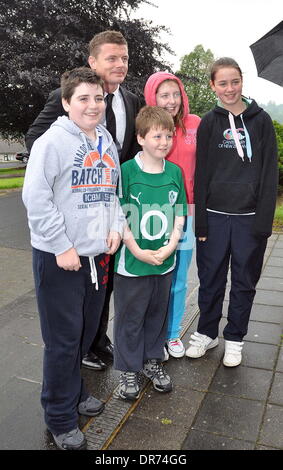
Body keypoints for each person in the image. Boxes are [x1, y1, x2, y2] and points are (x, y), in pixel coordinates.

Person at [25, 30, 142, 371]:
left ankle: (95, 339)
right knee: (66, 318)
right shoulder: (69, 100)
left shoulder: (131, 101)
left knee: (100, 291)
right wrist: (72, 180)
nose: (119, 64)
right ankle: (79, 354)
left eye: (124, 59)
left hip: (107, 212)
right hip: (73, 213)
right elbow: (38, 140)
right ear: (92, 61)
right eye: (111, 58)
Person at [22, 67, 125, 450]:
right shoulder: (53, 142)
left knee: (83, 336)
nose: (93, 105)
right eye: (83, 98)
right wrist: (62, 246)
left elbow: (112, 192)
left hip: (97, 257)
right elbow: (36, 197)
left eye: (98, 98)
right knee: (63, 341)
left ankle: (76, 391)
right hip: (61, 258)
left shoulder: (107, 140)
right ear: (66, 103)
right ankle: (60, 416)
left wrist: (115, 226)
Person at [185, 57, 278, 367]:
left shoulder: (261, 120)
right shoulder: (210, 122)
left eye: (234, 81)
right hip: (214, 215)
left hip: (249, 219)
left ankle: (235, 338)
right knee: (210, 279)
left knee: (243, 281)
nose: (229, 88)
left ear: (242, 82)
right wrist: (201, 222)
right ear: (213, 86)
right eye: (222, 83)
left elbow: (268, 175)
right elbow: (202, 173)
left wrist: (263, 221)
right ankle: (207, 333)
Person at [113, 106, 188, 401]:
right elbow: (118, 215)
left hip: (164, 262)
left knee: (157, 315)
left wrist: (171, 246)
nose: (164, 142)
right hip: (133, 263)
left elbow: (180, 213)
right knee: (131, 317)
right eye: (157, 136)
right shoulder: (127, 171)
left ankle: (151, 362)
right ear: (141, 138)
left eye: (168, 136)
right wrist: (136, 250)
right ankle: (129, 369)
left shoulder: (175, 172)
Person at [144, 72, 201, 358]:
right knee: (154, 274)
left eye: (175, 94)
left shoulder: (195, 124)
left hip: (187, 212)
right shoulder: (147, 126)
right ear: (153, 97)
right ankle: (152, 333)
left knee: (179, 276)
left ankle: (173, 333)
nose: (171, 101)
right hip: (154, 212)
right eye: (164, 95)